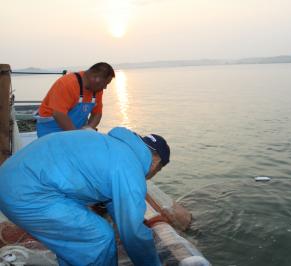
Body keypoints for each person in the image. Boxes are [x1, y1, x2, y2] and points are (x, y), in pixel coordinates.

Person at [0, 127, 170, 266]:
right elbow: (133, 234)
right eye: (157, 171)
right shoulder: (131, 169)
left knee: (78, 240)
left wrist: (124, 220)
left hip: (11, 179)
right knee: (98, 238)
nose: (151, 175)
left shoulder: (112, 145)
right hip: (26, 193)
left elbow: (115, 202)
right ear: (155, 163)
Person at [36, 62, 115, 137]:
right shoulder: (67, 84)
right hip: (51, 131)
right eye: (106, 83)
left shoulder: (97, 90)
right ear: (95, 78)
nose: (105, 87)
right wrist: (76, 136)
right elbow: (59, 114)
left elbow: (97, 114)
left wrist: (89, 128)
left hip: (76, 131)